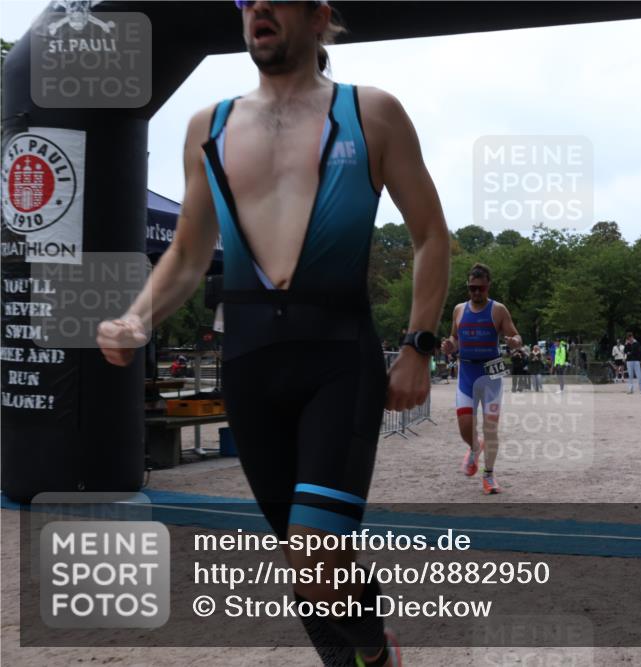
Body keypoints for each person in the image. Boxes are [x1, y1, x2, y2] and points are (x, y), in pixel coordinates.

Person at [96, 3, 452, 663]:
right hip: (251, 363)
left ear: (320, 17)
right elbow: (187, 252)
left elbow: (431, 235)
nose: (256, 5)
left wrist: (418, 346)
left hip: (338, 360)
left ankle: (377, 651)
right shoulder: (211, 124)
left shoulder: (371, 112)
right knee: (303, 553)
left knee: (317, 554)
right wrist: (137, 315)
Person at [441, 263, 522, 493]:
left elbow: (516, 335)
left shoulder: (498, 310)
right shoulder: (458, 310)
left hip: (491, 374)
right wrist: (449, 345)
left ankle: (489, 476)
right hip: (467, 372)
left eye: (480, 288)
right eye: (472, 288)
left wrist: (514, 342)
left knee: (490, 428)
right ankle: (475, 448)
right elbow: (454, 338)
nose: (476, 293)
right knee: (465, 426)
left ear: (488, 286)